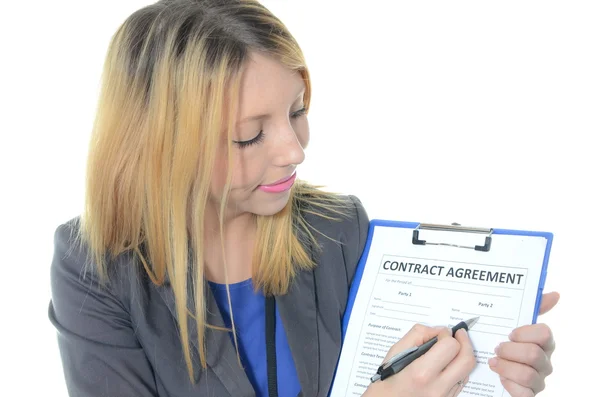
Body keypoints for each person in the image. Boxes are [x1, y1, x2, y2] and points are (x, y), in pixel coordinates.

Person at [47, 1, 560, 396]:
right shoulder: (95, 264)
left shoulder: (339, 227)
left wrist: (484, 372)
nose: (294, 152)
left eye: (297, 111)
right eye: (250, 135)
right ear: (161, 144)